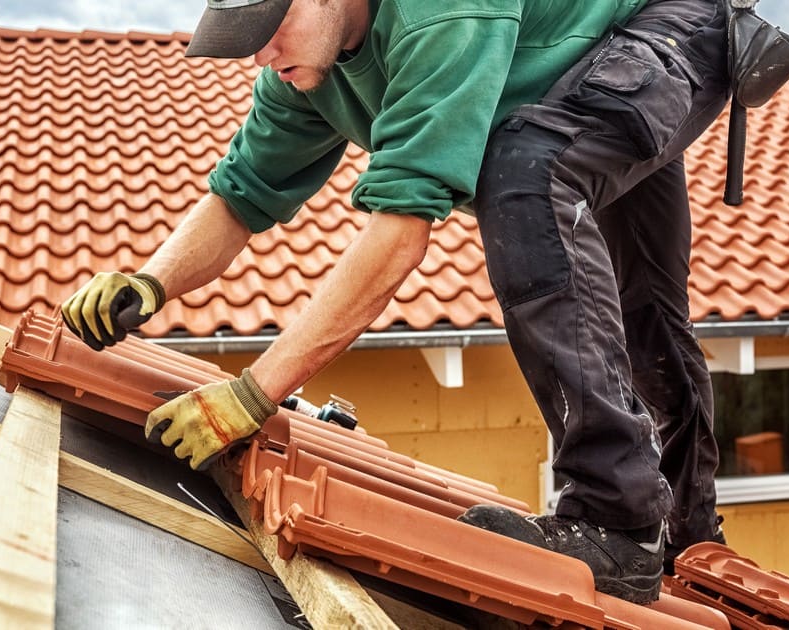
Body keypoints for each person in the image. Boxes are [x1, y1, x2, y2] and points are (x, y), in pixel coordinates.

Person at [61, 0, 730, 604]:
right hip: (584, 62)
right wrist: (150, 280)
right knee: (645, 309)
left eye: (269, 32)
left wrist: (253, 394)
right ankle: (682, 536)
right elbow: (240, 197)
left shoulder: (437, 13)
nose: (261, 56)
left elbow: (399, 236)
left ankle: (620, 519)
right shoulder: (309, 68)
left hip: (671, 26)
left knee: (528, 174)